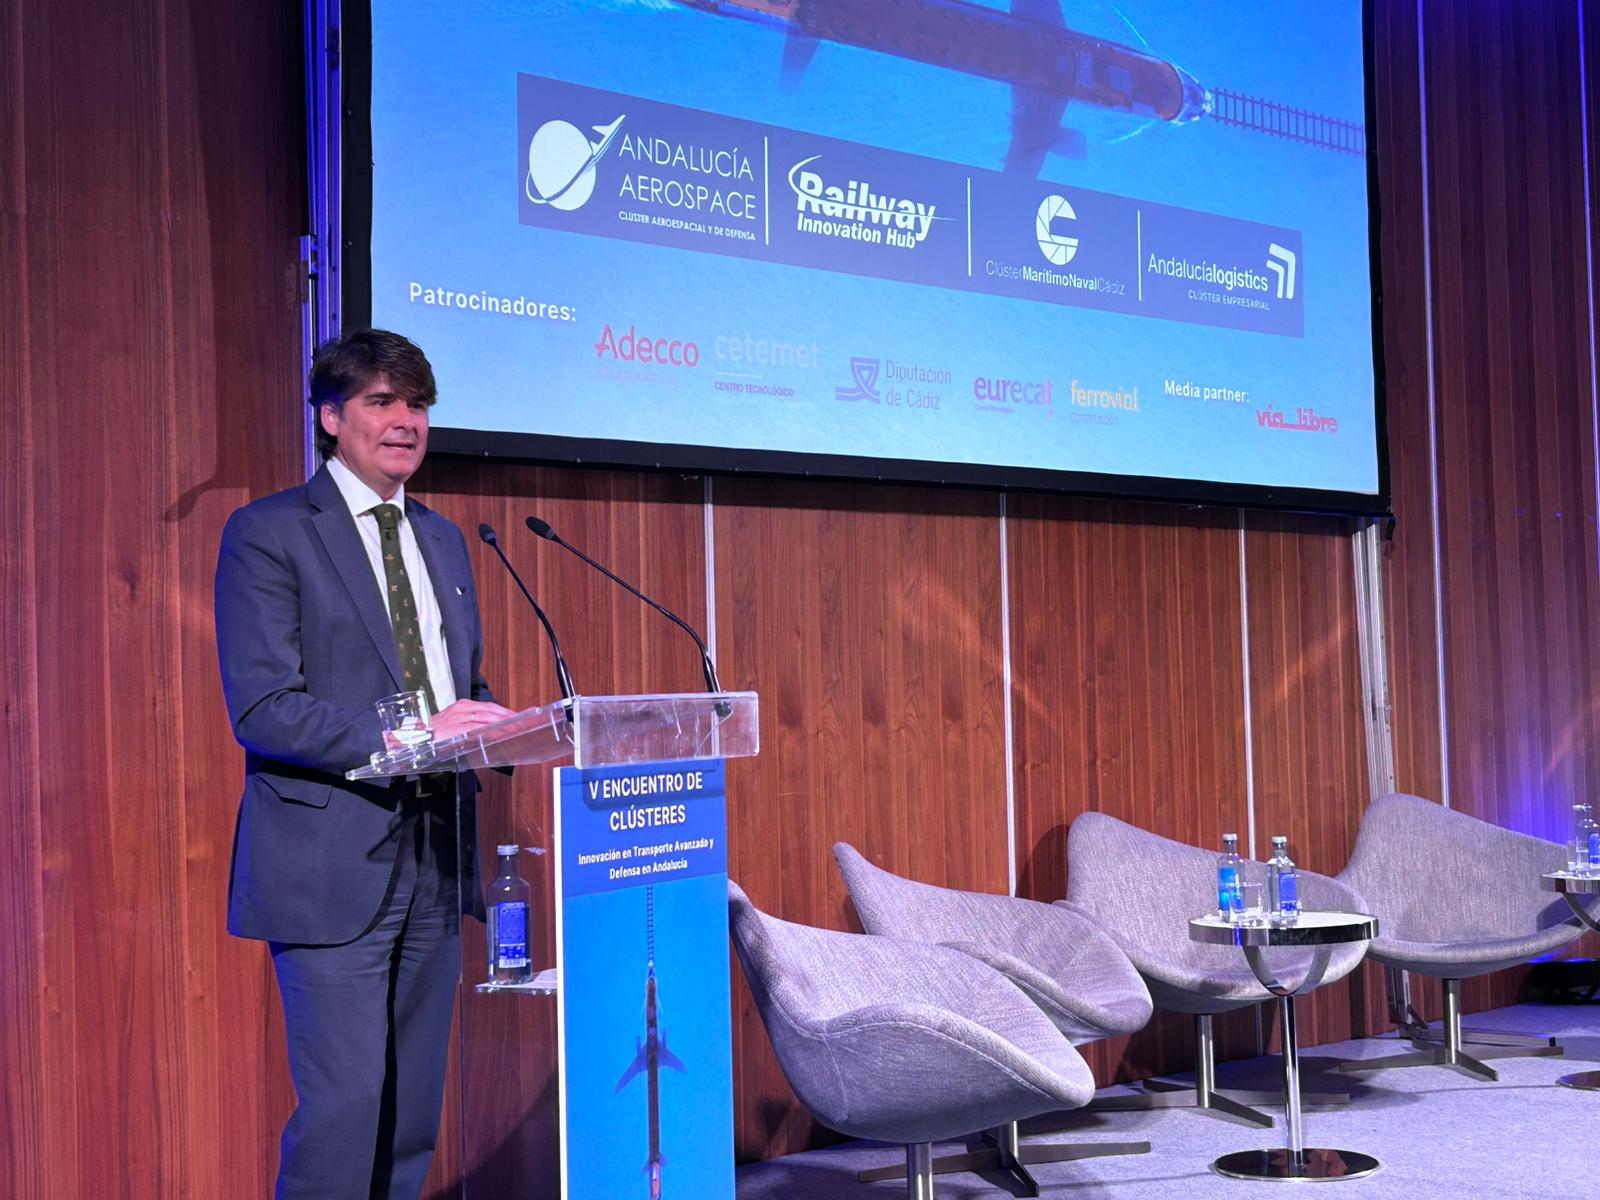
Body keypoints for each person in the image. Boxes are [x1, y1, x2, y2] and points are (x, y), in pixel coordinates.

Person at [214, 328, 515, 1199]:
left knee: (411, 1117)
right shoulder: (270, 532)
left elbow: (461, 687)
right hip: (330, 863)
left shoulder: (444, 540)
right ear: (330, 416)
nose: (405, 421)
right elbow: (264, 707)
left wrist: (508, 729)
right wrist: (421, 733)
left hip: (436, 857)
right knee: (343, 1115)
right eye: (382, 402)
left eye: (418, 405)